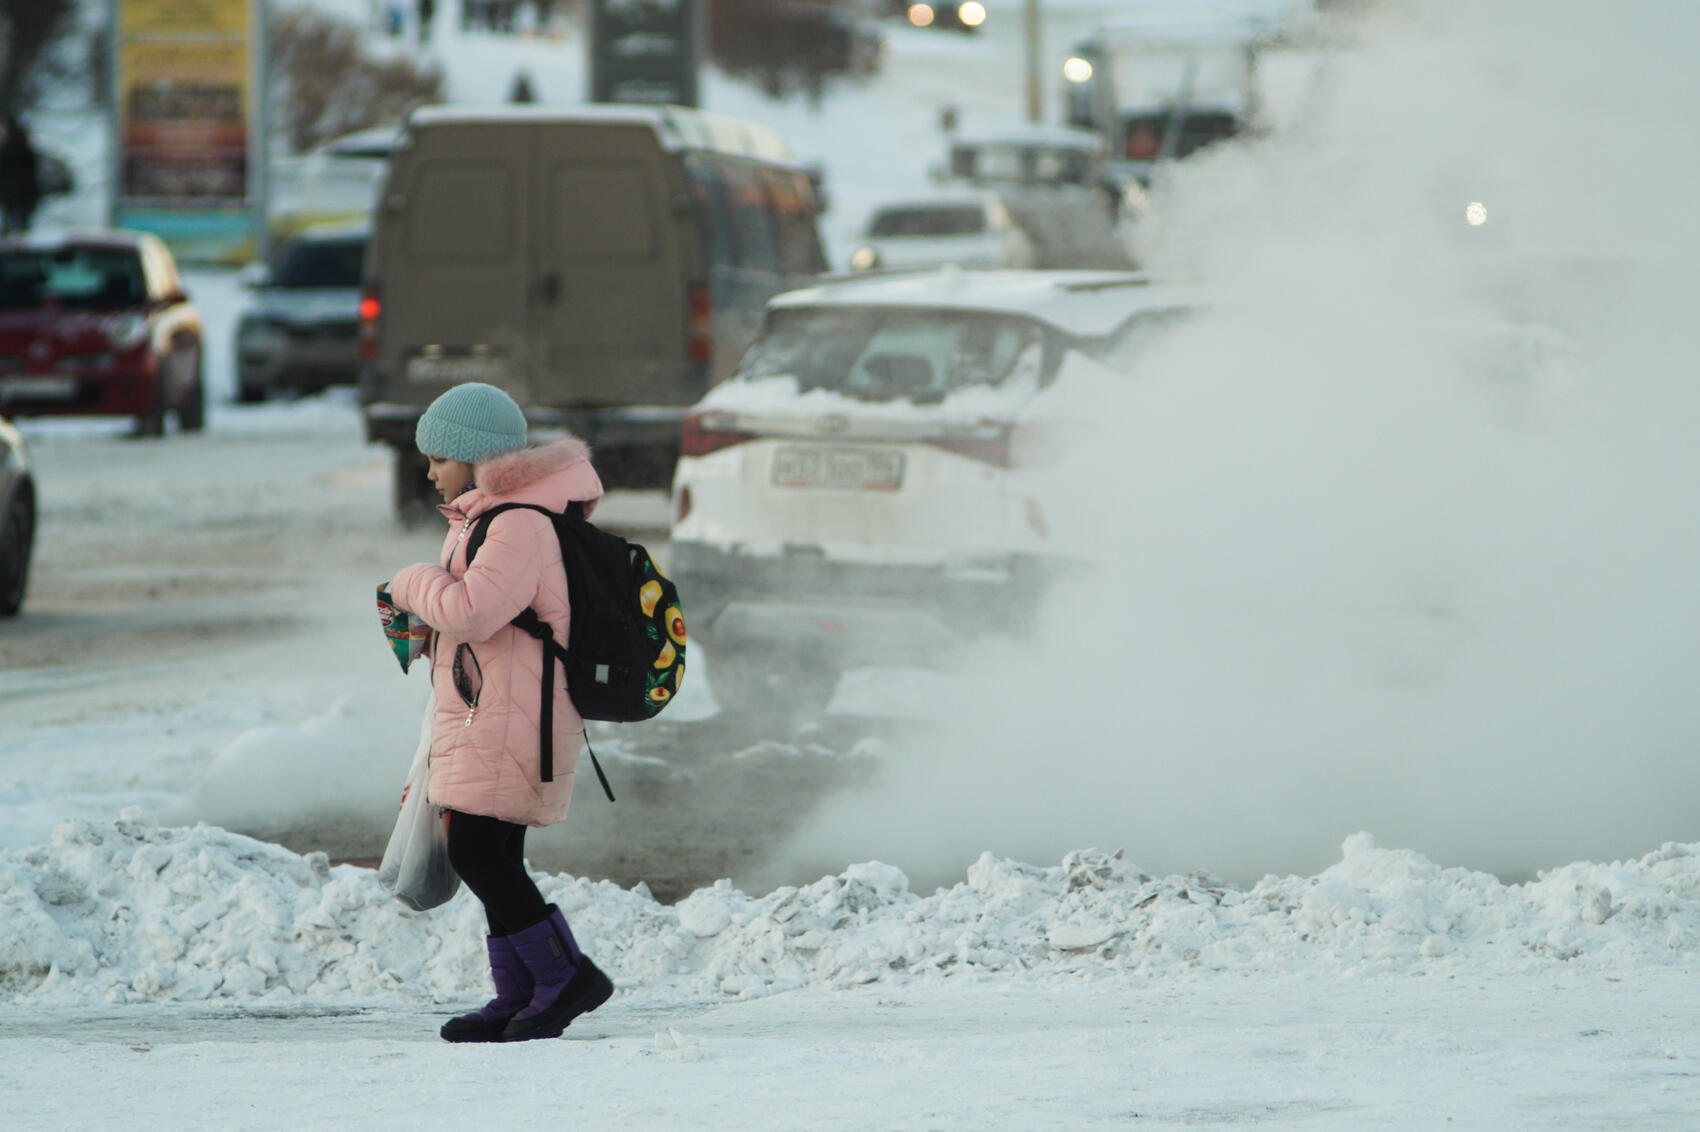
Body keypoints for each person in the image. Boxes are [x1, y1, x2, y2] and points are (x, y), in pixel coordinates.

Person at [385, 382, 614, 1043]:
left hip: (516, 716)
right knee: (489, 849)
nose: (429, 472)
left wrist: (408, 584)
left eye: (437, 458)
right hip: (493, 709)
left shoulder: (518, 523)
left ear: (473, 456)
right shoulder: (494, 519)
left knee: (479, 851)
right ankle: (521, 992)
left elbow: (475, 610)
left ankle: (565, 978)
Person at [0, 113, 41, 236]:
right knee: (21, 225)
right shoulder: (25, 150)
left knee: (14, 222)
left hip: (14, 192)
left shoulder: (7, 150)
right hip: (21, 192)